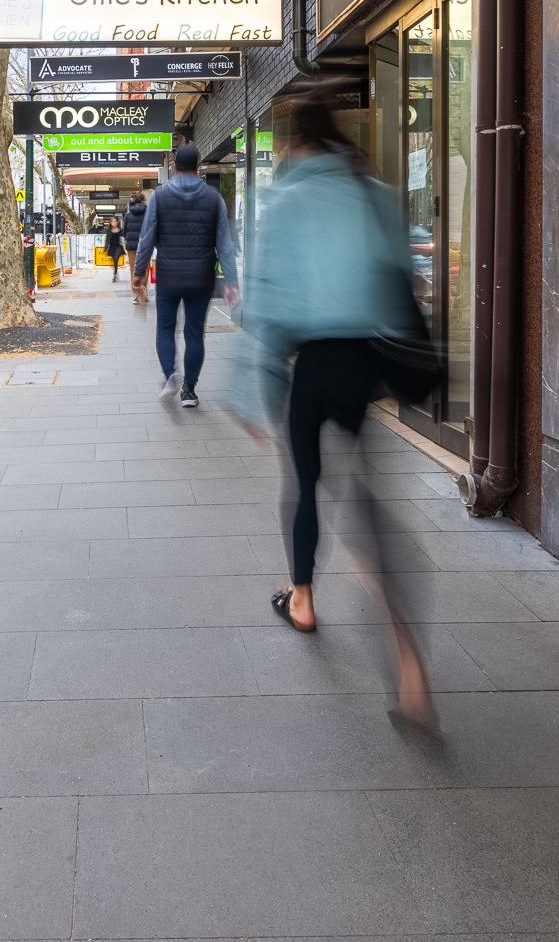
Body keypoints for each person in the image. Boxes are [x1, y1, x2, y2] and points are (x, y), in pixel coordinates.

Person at [242, 90, 439, 727]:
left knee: (302, 486)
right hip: (362, 364)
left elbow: (266, 303)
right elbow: (400, 283)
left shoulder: (285, 198)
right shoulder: (374, 192)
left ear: (294, 143)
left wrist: (258, 388)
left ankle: (301, 598)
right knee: (365, 502)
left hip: (308, 366)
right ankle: (409, 663)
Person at [132, 144, 237, 409]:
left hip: (169, 275)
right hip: (202, 276)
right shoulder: (214, 198)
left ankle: (171, 374)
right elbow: (224, 244)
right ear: (199, 167)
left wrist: (139, 273)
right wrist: (232, 282)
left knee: (165, 329)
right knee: (194, 333)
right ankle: (189, 390)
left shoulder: (159, 196)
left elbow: (146, 239)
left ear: (174, 167)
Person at [121, 190, 148, 304]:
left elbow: (125, 230)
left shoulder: (128, 214)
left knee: (133, 269)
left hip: (131, 245)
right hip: (145, 244)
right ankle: (143, 289)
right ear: (142, 201)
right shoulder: (148, 212)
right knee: (145, 268)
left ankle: (136, 295)